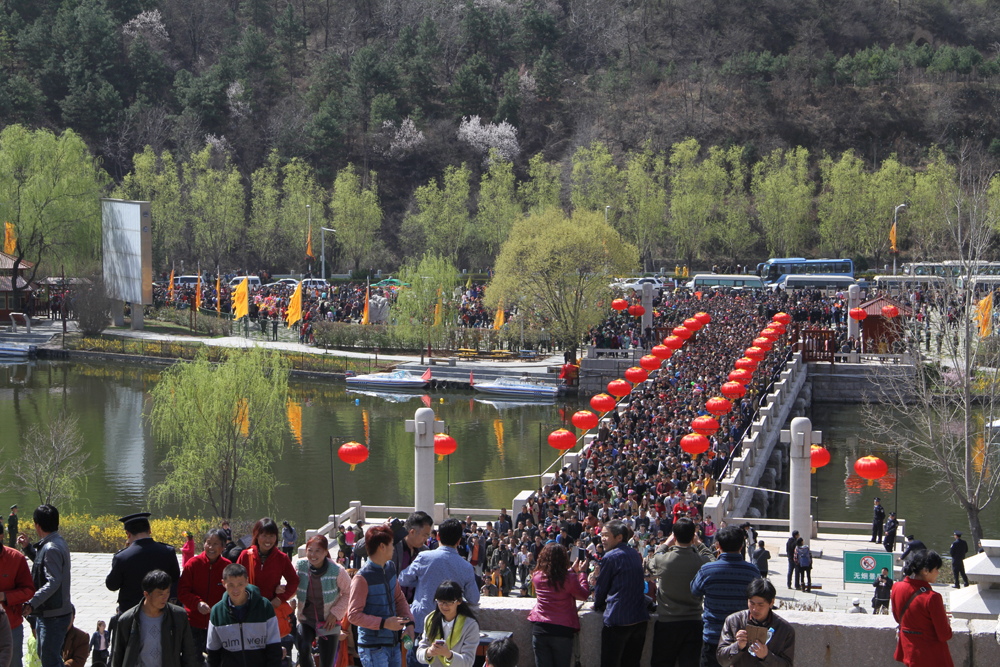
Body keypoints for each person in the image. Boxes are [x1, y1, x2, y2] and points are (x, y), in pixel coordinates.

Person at [399, 518, 479, 667]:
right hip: (451, 629)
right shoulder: (466, 566)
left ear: (438, 537)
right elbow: (474, 598)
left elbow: (403, 579)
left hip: (422, 624)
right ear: (459, 540)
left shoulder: (424, 557)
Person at [690, 525, 760, 667]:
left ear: (718, 546)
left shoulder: (707, 570)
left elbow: (694, 591)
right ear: (741, 546)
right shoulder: (753, 572)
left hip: (713, 637)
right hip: (741, 639)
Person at [649, 518, 715, 667]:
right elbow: (712, 559)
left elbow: (651, 561)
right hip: (694, 622)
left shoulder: (663, 560)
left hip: (667, 622)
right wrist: (699, 544)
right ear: (693, 536)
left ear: (674, 536)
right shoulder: (701, 561)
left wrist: (666, 544)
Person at [347, 524, 415, 667]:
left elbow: (399, 598)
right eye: (391, 544)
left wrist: (409, 623)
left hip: (393, 643)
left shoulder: (389, 567)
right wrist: (384, 623)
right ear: (382, 547)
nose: (394, 547)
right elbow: (353, 615)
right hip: (373, 648)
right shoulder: (361, 578)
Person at [19, 504, 72, 667]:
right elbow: (46, 567)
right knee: (48, 657)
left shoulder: (51, 548)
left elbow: (53, 581)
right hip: (52, 613)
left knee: (50, 661)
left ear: (37, 524)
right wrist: (28, 549)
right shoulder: (55, 542)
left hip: (53, 615)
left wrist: (32, 602)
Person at [112, 569, 199, 667]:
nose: (165, 597)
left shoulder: (178, 616)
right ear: (147, 594)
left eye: (167, 593)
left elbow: (189, 653)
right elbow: (117, 655)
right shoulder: (127, 620)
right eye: (160, 594)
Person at [593, 520, 649, 667]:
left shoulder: (610, 557)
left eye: (606, 535)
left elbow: (601, 588)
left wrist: (597, 605)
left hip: (618, 620)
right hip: (639, 619)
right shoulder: (635, 554)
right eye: (602, 535)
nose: (602, 539)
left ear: (619, 537)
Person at [206, 563, 282, 667]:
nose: (235, 590)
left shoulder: (264, 607)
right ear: (223, 583)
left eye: (240, 584)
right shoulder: (217, 611)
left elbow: (274, 647)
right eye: (231, 585)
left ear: (247, 581)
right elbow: (213, 653)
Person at [526, 544, 590, 667]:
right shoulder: (569, 578)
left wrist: (572, 571)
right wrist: (581, 573)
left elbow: (554, 579)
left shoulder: (537, 576)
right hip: (562, 630)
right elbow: (584, 595)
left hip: (540, 630)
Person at [106, 513, 182, 613]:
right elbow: (175, 577)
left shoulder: (122, 557)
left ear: (128, 534)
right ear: (149, 530)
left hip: (131, 613)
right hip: (160, 611)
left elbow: (112, 585)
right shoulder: (168, 551)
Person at [295, 535, 350, 667]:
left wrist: (335, 614)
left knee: (327, 662)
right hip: (306, 618)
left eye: (318, 550)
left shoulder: (337, 570)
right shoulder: (300, 566)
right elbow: (292, 585)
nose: (313, 554)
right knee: (303, 648)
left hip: (328, 620)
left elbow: (349, 592)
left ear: (326, 551)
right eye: (310, 550)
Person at [891, 550, 953, 667]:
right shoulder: (932, 597)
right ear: (925, 570)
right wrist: (946, 621)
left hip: (909, 651)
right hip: (930, 657)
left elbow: (897, 618)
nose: (938, 573)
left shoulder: (896, 587)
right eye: (936, 569)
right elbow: (945, 635)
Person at [178, 529, 232, 660]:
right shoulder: (193, 564)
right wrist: (197, 603)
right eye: (208, 543)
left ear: (223, 547)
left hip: (218, 624)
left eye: (216, 544)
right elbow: (182, 592)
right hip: (193, 623)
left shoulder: (228, 567)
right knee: (192, 661)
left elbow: (233, 594)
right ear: (203, 544)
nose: (211, 547)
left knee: (218, 661)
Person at [716, 578, 794, 667]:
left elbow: (788, 664)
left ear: (771, 602)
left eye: (760, 605)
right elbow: (722, 660)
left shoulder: (785, 629)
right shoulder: (734, 621)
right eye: (752, 603)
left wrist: (766, 656)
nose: (755, 609)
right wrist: (738, 646)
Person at [237, 518, 300, 612]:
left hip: (271, 609)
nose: (268, 540)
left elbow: (294, 581)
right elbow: (234, 580)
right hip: (248, 609)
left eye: (271, 536)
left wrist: (280, 598)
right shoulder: (246, 555)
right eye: (264, 535)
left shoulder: (281, 558)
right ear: (257, 536)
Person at [415, 582, 479, 667]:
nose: (444, 606)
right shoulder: (430, 619)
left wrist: (449, 655)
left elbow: (468, 661)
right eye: (440, 601)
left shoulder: (470, 625)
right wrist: (429, 652)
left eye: (449, 602)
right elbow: (419, 653)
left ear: (459, 601)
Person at [0, 521, 34, 667]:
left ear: (1, 536)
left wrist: (5, 597)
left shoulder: (16, 558)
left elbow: (28, 590)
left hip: (11, 626)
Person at [392, 513, 432, 605]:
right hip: (392, 606)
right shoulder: (392, 547)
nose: (426, 539)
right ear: (412, 532)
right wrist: (383, 532)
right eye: (424, 535)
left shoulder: (425, 552)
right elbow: (359, 548)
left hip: (414, 607)